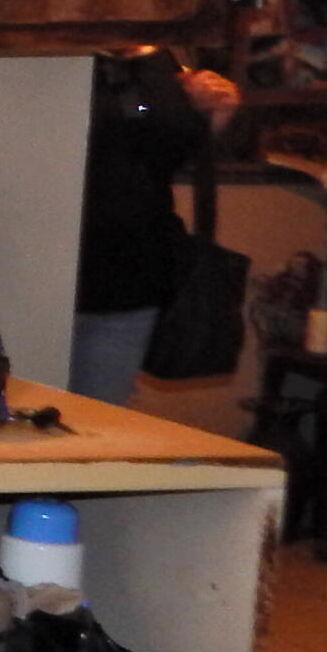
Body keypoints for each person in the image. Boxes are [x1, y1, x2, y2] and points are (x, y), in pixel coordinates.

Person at [72, 47, 240, 404]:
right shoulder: (53, 52)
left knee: (101, 420)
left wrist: (214, 114)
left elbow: (158, 157)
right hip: (49, 264)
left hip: (131, 274)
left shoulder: (162, 64)